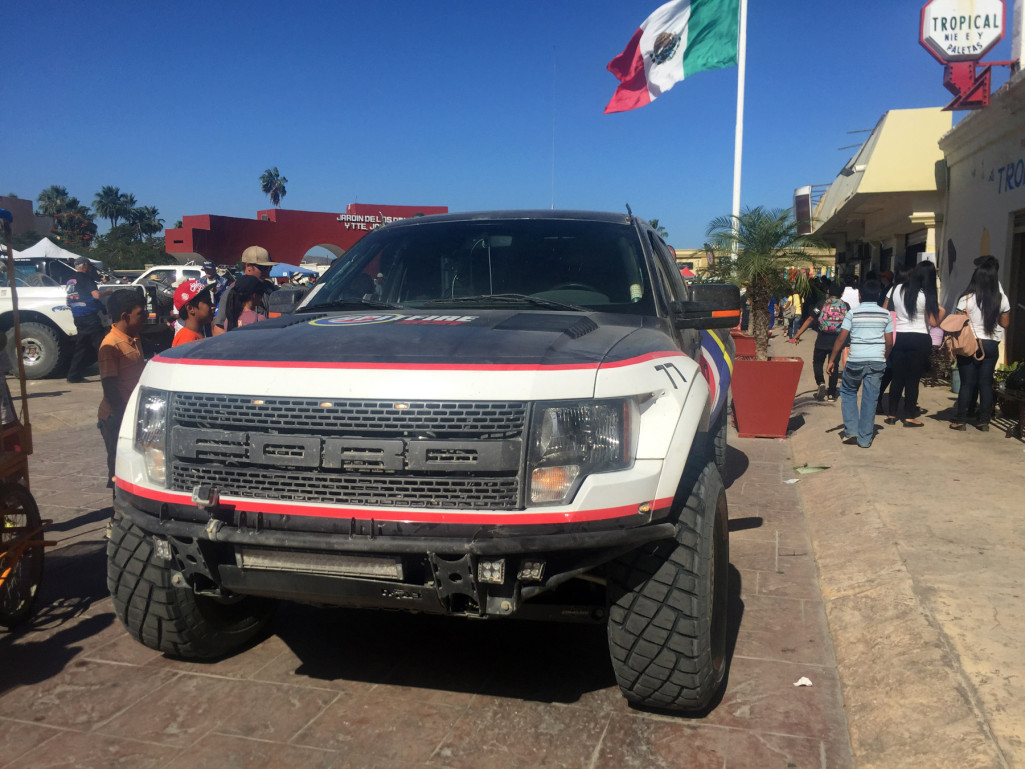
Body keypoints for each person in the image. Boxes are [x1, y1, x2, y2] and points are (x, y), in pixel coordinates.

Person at [827, 280, 894, 448]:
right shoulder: (885, 314)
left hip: (855, 360)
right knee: (870, 398)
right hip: (877, 361)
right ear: (878, 296)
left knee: (848, 391)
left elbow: (841, 338)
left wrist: (832, 359)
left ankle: (851, 431)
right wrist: (883, 358)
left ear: (859, 295)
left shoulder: (853, 313)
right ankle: (865, 439)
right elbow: (889, 342)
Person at [949, 256, 1011, 432]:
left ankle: (961, 420)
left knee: (967, 383)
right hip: (990, 345)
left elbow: (959, 323)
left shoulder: (966, 299)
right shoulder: (1002, 299)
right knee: (985, 383)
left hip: (970, 344)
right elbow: (1005, 324)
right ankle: (984, 421)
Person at [884, 260, 946, 427]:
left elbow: (890, 310)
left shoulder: (896, 289)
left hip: (900, 337)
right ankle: (909, 416)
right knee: (912, 379)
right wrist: (943, 311)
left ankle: (891, 414)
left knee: (897, 378)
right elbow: (933, 322)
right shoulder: (927, 294)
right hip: (920, 338)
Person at [97, 290, 147, 488]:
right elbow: (109, 385)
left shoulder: (134, 338)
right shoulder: (110, 344)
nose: (144, 317)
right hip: (115, 416)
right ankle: (116, 510)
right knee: (118, 467)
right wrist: (122, 417)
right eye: (140, 314)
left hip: (130, 412)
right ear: (125, 316)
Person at [789, 282, 848, 401]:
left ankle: (820, 382)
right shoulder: (846, 305)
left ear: (828, 292)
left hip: (822, 338)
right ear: (842, 293)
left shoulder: (822, 303)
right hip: (837, 340)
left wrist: (797, 334)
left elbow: (810, 318)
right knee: (834, 365)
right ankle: (831, 393)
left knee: (817, 362)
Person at [213, 246, 278, 335]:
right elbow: (218, 328)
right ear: (248, 266)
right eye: (263, 268)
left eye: (269, 267)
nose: (267, 272)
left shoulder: (270, 288)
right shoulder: (234, 291)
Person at [65, 255, 107, 383]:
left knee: (81, 346)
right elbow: (96, 295)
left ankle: (73, 375)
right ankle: (107, 374)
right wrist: (108, 291)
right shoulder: (86, 278)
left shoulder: (70, 281)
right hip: (90, 316)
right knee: (102, 346)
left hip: (77, 316)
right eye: (88, 266)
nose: (90, 269)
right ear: (84, 266)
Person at [172, 280, 214, 347]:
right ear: (190, 308)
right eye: (208, 302)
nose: (213, 307)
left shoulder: (194, 335)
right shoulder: (187, 339)